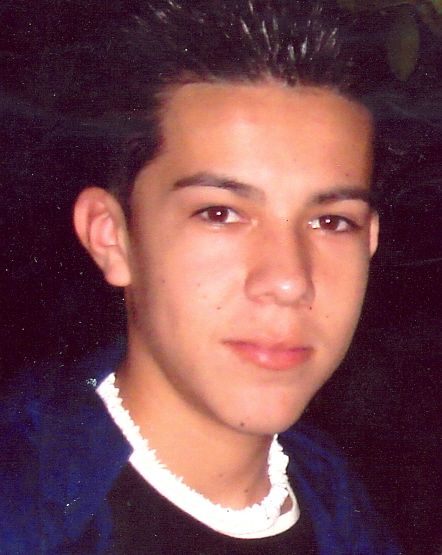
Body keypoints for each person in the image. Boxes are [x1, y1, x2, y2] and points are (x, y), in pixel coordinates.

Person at [1, 1, 401, 553]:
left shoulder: (348, 508)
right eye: (220, 213)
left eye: (331, 222)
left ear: (370, 242)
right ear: (113, 238)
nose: (289, 280)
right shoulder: (27, 515)